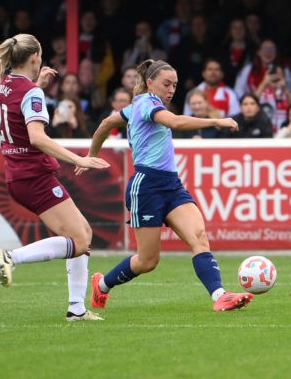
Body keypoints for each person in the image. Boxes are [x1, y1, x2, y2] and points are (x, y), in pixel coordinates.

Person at [84, 58, 253, 312]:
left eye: (174, 85)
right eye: (166, 84)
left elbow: (107, 124)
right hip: (146, 186)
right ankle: (102, 285)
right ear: (150, 82)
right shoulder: (147, 103)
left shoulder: (136, 107)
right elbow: (175, 122)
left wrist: (90, 156)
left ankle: (220, 295)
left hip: (171, 185)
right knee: (148, 261)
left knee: (199, 237)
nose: (171, 89)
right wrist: (216, 121)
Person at [0, 33, 110, 321]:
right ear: (35, 58)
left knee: (83, 232)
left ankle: (77, 309)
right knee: (79, 240)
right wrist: (78, 158)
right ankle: (12, 257)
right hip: (33, 175)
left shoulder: (5, 85)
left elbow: (20, 112)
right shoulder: (31, 93)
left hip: (18, 174)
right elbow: (37, 137)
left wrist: (36, 86)